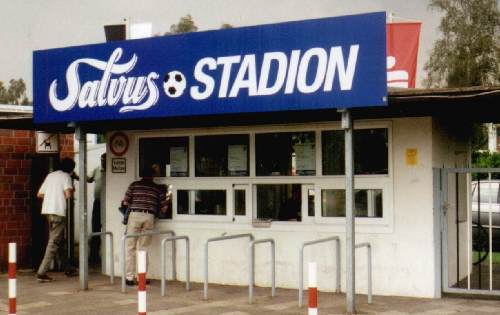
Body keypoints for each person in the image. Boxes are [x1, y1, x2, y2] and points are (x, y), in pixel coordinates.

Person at [123, 164, 167, 285]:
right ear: (152, 175)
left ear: (141, 175)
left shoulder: (134, 185)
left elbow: (126, 202)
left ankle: (129, 278)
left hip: (135, 215)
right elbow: (164, 208)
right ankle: (141, 277)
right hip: (149, 217)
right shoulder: (157, 188)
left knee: (130, 247)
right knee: (143, 248)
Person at [36, 158, 77, 282]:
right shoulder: (66, 177)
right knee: (53, 242)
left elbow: (40, 194)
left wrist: (52, 195)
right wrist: (71, 188)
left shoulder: (51, 175)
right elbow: (68, 195)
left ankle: (66, 267)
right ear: (71, 169)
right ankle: (42, 272)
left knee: (59, 239)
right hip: (58, 211)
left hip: (48, 210)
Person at [87, 153, 106, 265]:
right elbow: (88, 179)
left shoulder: (111, 170)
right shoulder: (97, 169)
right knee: (96, 228)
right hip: (98, 202)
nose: (103, 161)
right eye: (102, 159)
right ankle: (94, 256)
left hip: (109, 202)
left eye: (105, 159)